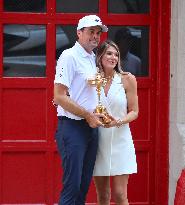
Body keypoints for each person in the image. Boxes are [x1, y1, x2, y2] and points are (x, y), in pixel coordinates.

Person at [53, 15, 108, 205]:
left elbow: (87, 93)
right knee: (72, 187)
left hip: (91, 128)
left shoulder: (93, 58)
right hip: (73, 127)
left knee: (83, 187)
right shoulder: (69, 56)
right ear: (79, 33)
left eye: (98, 32)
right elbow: (59, 96)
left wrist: (99, 113)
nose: (95, 36)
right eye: (91, 31)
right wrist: (87, 114)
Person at [93, 40, 139, 205]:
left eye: (116, 54)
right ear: (100, 56)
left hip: (121, 139)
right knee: (103, 195)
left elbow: (134, 111)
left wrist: (118, 121)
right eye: (109, 53)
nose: (113, 57)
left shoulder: (127, 79)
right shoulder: (92, 80)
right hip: (97, 140)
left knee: (120, 195)